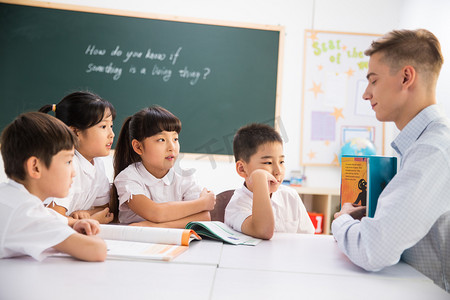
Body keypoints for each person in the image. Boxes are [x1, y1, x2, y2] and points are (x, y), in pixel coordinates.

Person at [332, 29, 450, 292]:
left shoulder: (433, 151)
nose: (366, 94)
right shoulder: (419, 145)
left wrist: (341, 220)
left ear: (406, 77)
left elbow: (374, 250)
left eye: (373, 81)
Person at [0, 112, 106, 262]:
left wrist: (75, 223)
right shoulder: (24, 211)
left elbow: (48, 215)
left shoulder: (11, 196)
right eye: (68, 162)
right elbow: (96, 250)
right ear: (35, 167)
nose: (74, 173)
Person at [111, 106, 215, 227]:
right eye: (161, 140)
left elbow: (204, 218)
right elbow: (155, 212)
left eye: (175, 139)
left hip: (174, 242)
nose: (172, 147)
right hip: (135, 243)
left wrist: (152, 227)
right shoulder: (127, 178)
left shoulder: (185, 176)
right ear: (138, 147)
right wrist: (203, 202)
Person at [224, 123, 315, 239]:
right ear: (242, 169)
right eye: (268, 163)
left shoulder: (290, 196)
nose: (278, 171)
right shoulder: (236, 206)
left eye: (281, 162)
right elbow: (263, 231)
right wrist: (260, 178)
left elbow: (309, 238)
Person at [39, 91, 115, 224]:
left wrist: (86, 214)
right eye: (103, 126)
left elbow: (104, 208)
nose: (112, 134)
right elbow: (52, 220)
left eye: (111, 126)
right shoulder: (67, 165)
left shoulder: (98, 163)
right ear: (75, 132)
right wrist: (91, 219)